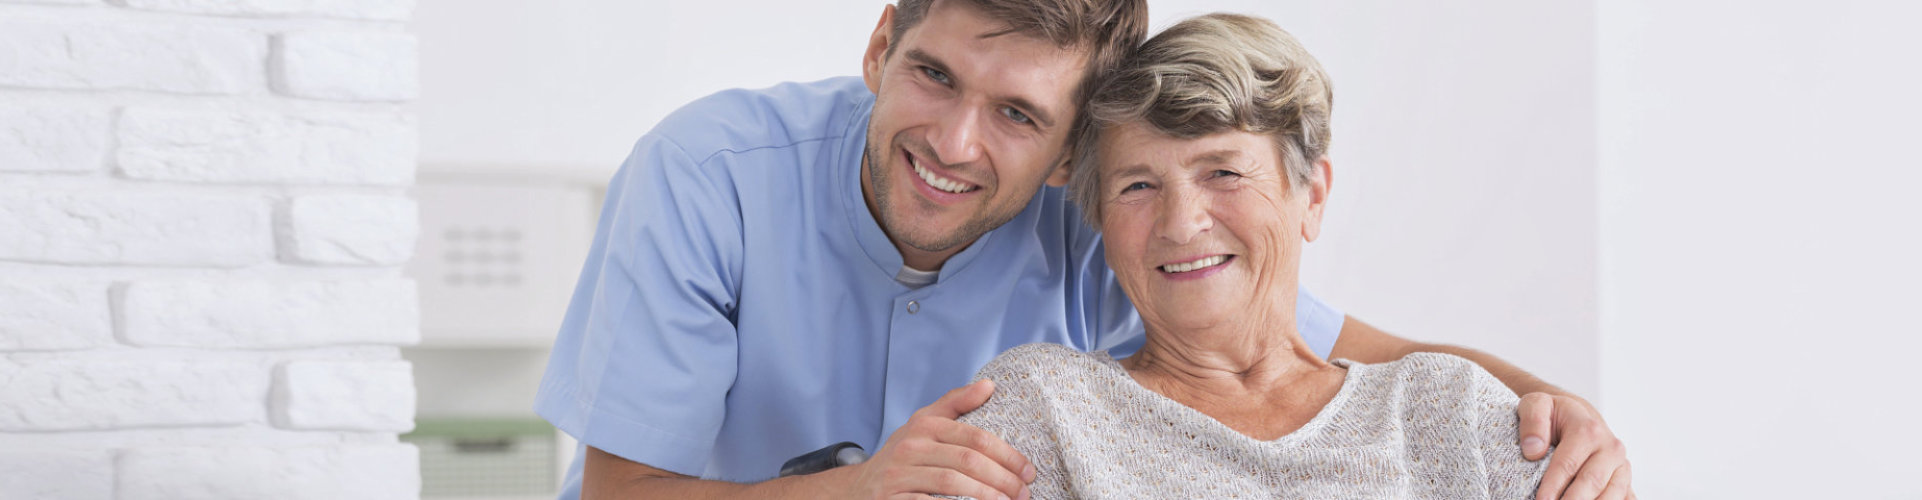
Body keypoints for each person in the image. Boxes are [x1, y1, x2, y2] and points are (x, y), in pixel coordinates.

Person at [536, 1, 1630, 499]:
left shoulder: (1112, 218)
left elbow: (1322, 352)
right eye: (933, 76)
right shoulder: (705, 174)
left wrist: (1563, 415)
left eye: (1017, 114)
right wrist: (862, 490)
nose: (954, 142)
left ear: (1068, 151)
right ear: (880, 44)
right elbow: (621, 493)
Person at [953, 13, 1581, 498]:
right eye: (1138, 186)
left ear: (1311, 197)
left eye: (1223, 172)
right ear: (1099, 221)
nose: (1181, 223)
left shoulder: (1449, 409)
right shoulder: (1042, 410)